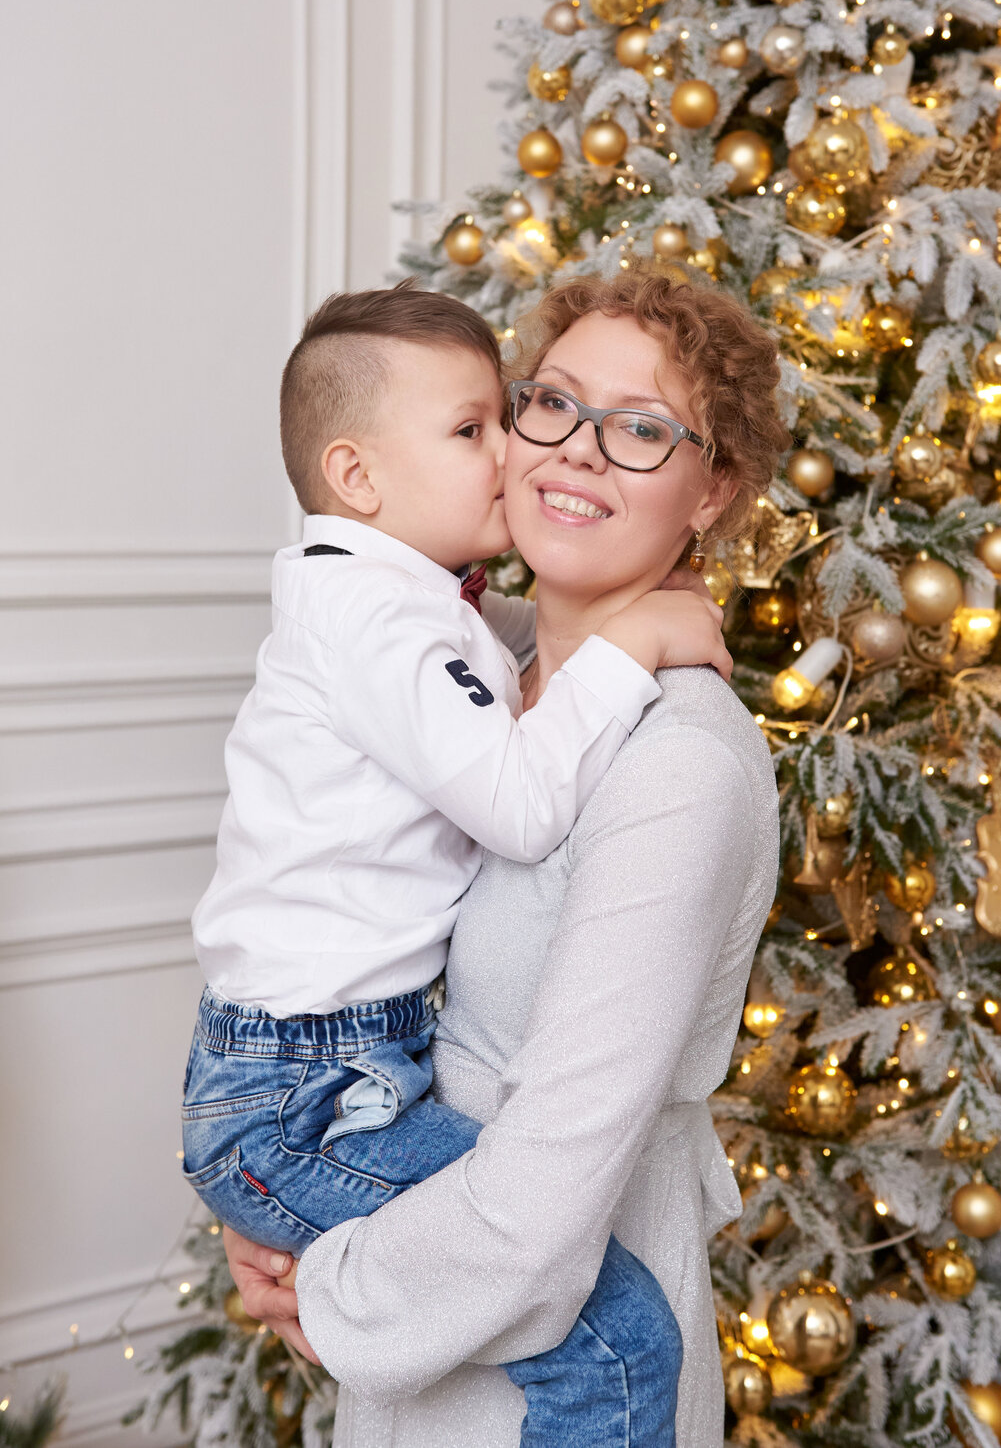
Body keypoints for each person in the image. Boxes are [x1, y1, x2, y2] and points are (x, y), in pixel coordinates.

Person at [223, 268, 787, 1448]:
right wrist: (289, 1188)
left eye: (641, 429)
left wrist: (328, 1285)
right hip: (414, 1255)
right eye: (548, 405)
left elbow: (543, 1188)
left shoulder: (675, 761)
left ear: (711, 491)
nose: (575, 451)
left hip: (541, 1320)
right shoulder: (467, 651)